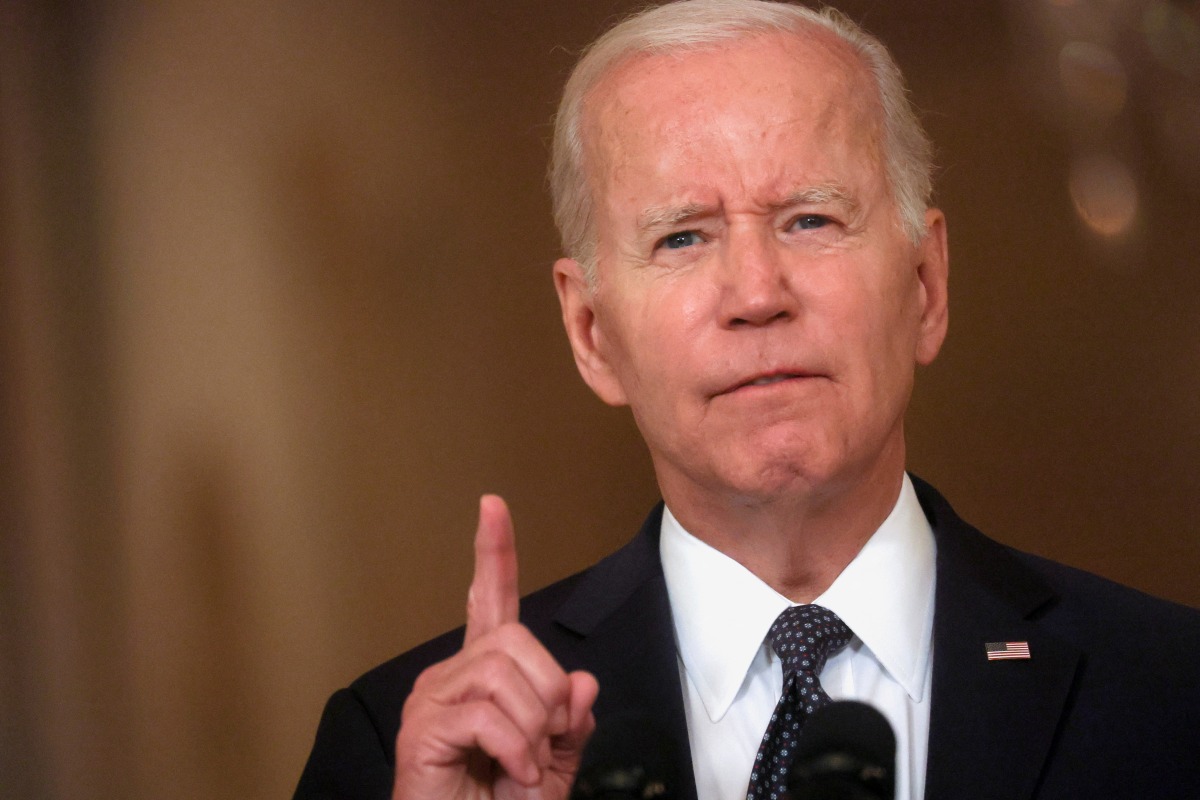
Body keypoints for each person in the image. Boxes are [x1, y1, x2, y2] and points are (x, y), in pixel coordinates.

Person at [294, 2, 1200, 799]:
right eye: (682, 237)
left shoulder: (1172, 695)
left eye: (810, 219)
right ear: (591, 334)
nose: (757, 291)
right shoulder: (409, 757)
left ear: (925, 285)